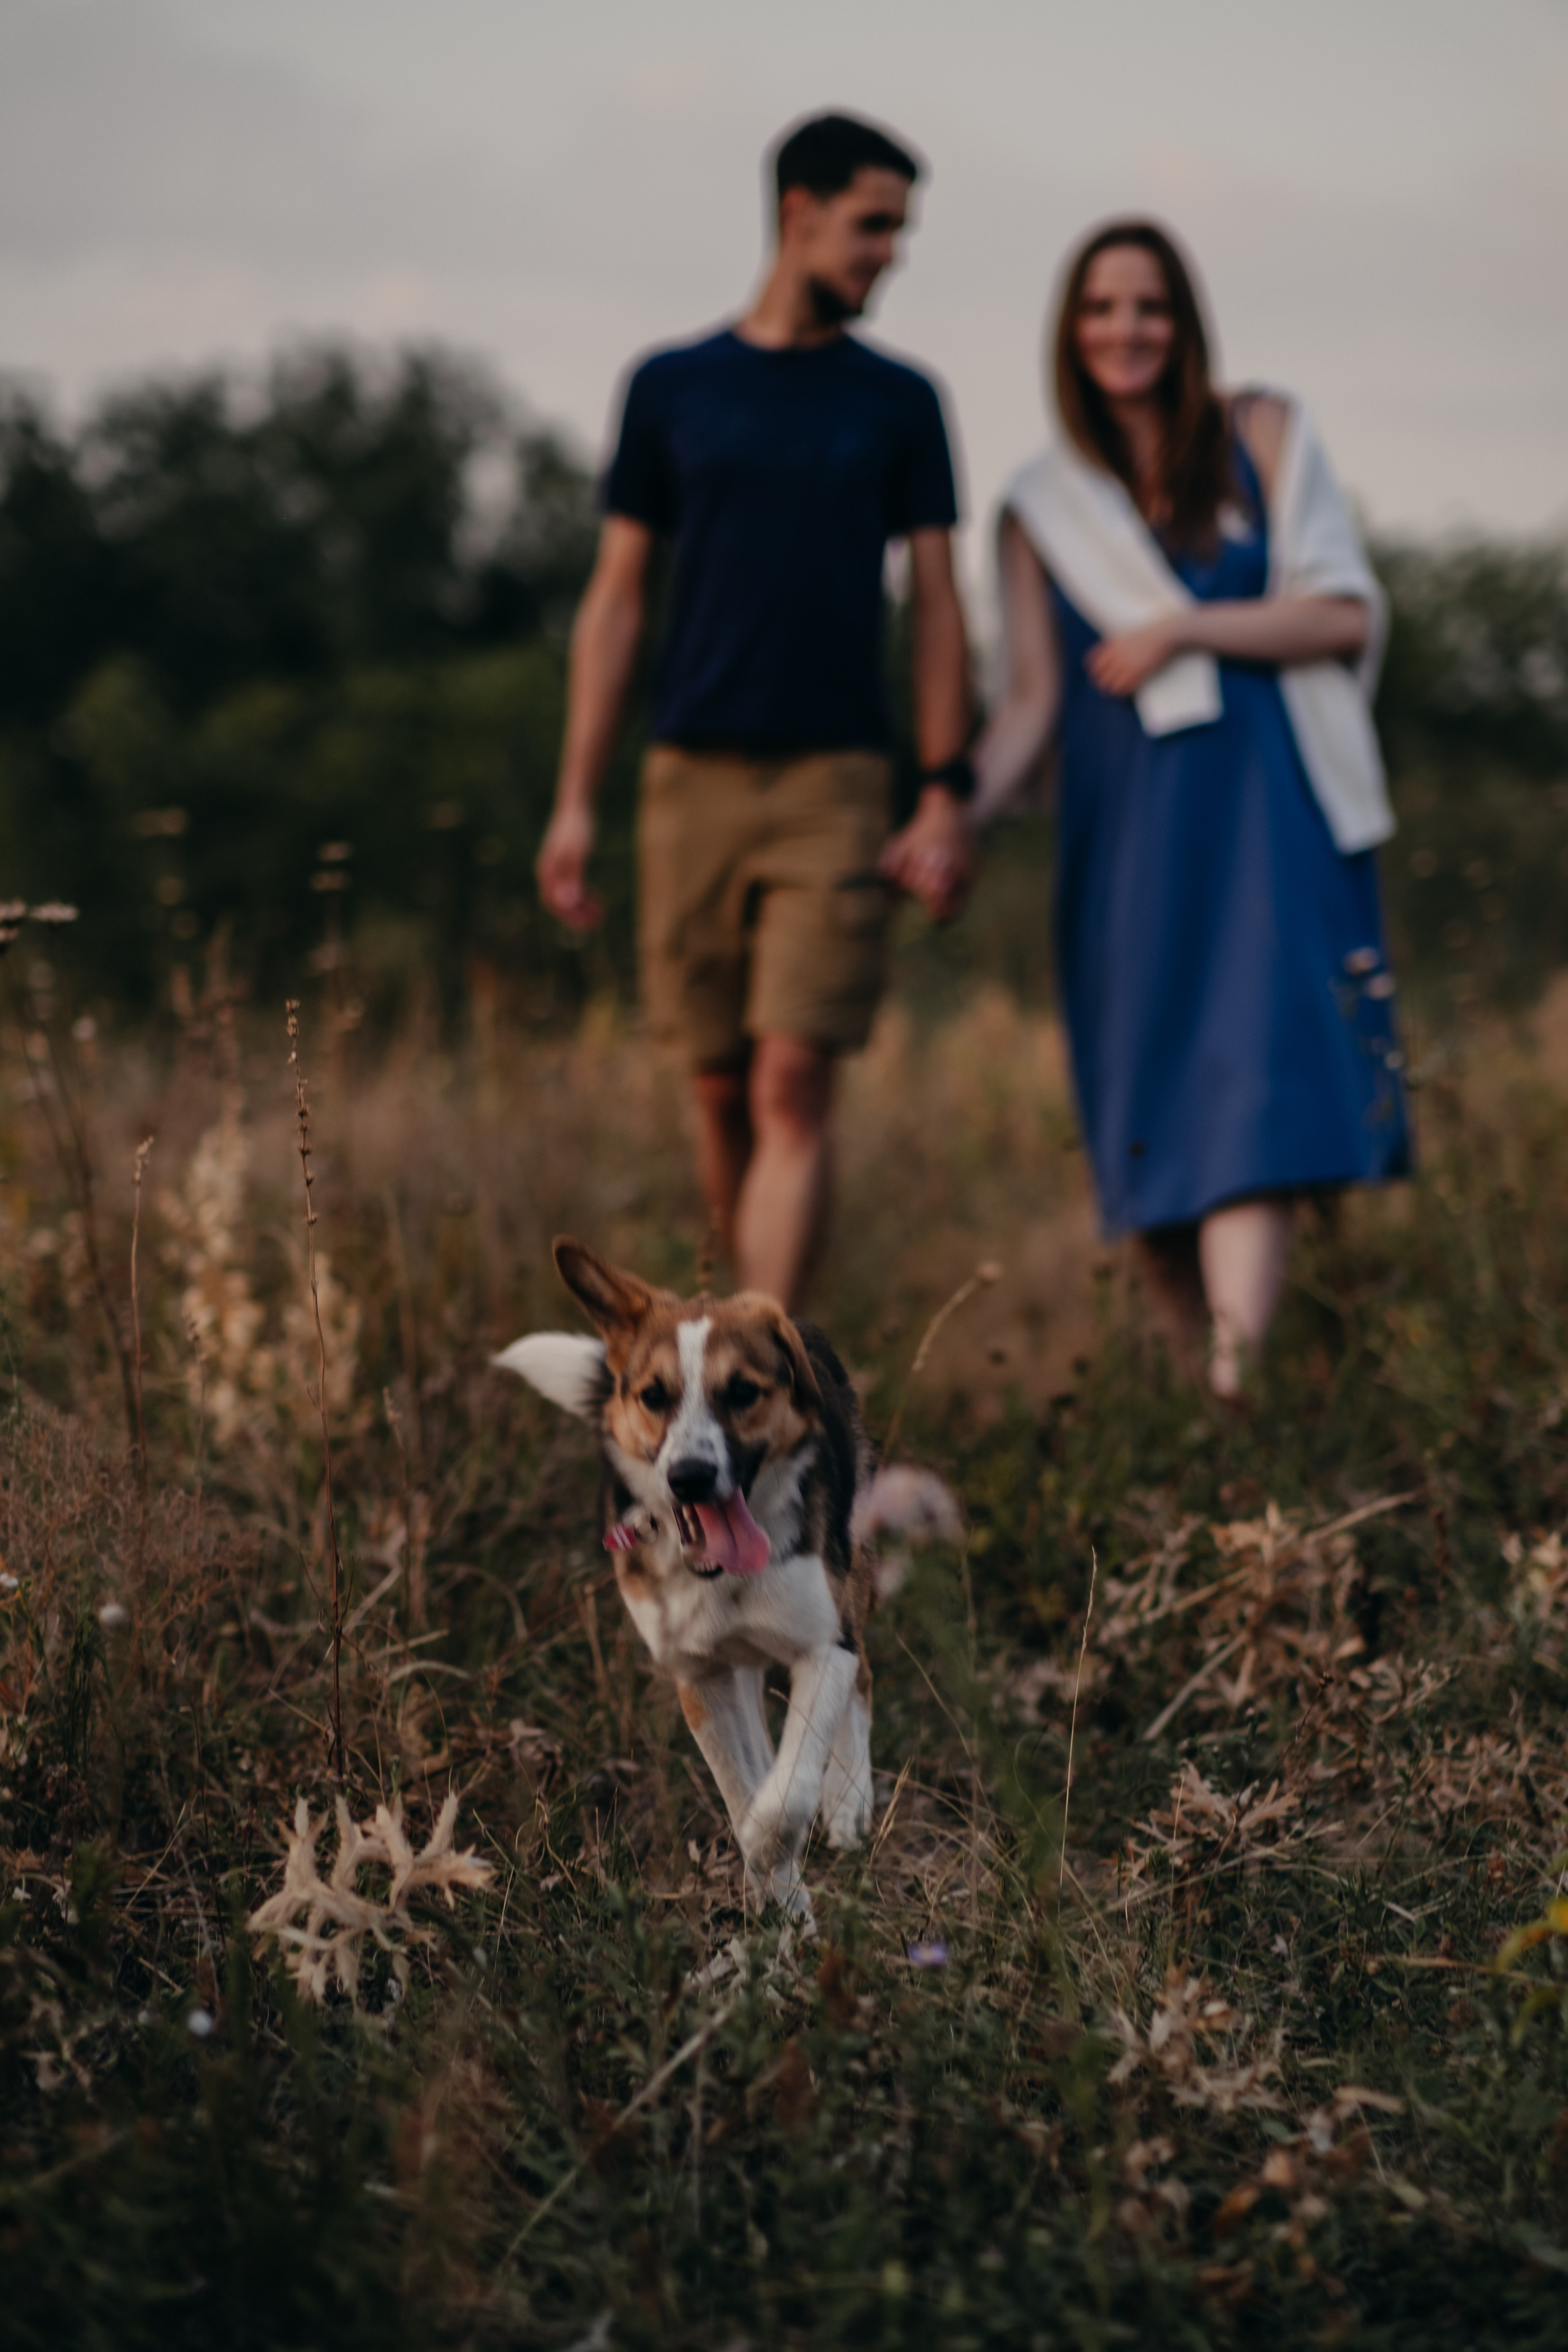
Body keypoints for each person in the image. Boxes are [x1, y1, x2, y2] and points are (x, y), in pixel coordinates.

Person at [537, 111, 974, 1311]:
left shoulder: (900, 403)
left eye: (898, 231)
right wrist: (576, 801)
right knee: (719, 1091)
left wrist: (944, 787)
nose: (888, 252)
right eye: (872, 225)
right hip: (687, 780)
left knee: (791, 1086)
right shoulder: (671, 387)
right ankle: (736, 1373)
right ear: (798, 213)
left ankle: (753, 1381)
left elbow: (937, 606)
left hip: (835, 784)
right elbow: (616, 602)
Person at [970, 219, 1411, 1396]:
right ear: (1071, 329)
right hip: (1126, 838)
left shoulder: (1264, 433)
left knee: (1254, 1088)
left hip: (1265, 809)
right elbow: (1026, 709)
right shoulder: (1038, 506)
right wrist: (950, 817)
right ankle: (1216, 1416)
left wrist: (1183, 628)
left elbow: (1343, 614)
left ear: (1185, 320)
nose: (1127, 330)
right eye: (1103, 308)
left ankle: (1235, 1377)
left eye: (1150, 306)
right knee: (1151, 1114)